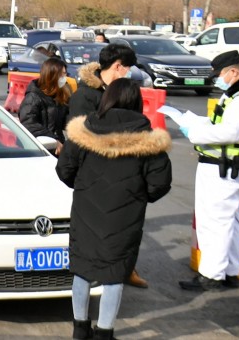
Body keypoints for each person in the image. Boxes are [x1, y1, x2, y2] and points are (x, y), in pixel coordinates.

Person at [57, 79, 173, 340]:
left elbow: (64, 170)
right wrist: (136, 197)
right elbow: (160, 184)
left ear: (107, 98)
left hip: (86, 213)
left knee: (83, 271)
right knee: (114, 275)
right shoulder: (147, 141)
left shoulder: (84, 133)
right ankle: (105, 333)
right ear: (136, 101)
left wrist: (85, 188)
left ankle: (79, 329)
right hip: (125, 218)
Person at [179, 51, 239, 292]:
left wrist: (194, 133)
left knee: (215, 222)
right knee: (231, 221)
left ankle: (211, 275)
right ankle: (229, 270)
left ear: (234, 72)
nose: (218, 79)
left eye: (220, 75)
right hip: (232, 168)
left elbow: (232, 132)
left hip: (225, 169)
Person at [19, 57, 72, 141]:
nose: (64, 78)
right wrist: (52, 139)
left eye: (65, 74)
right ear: (50, 75)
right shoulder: (33, 96)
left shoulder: (62, 94)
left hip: (58, 144)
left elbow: (66, 119)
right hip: (39, 145)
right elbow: (29, 123)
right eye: (61, 74)